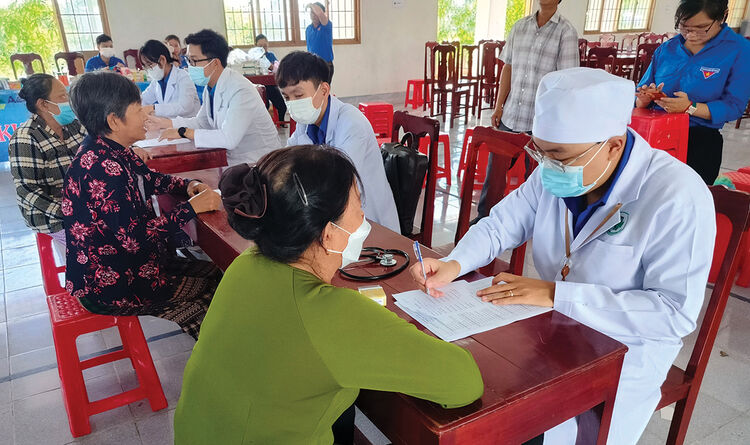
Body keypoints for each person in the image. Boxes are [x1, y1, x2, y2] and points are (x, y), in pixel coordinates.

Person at [410, 68, 715, 445]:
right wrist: (455, 264)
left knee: (534, 429)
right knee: (483, 401)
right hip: (552, 330)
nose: (546, 164)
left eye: (558, 155)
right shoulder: (562, 171)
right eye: (540, 150)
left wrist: (557, 294)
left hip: (626, 348)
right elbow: (502, 223)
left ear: (614, 146)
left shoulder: (676, 195)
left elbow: (673, 313)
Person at [174, 145, 483, 444]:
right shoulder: (331, 314)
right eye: (358, 207)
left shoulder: (246, 265)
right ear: (328, 232)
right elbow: (464, 382)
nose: (364, 218)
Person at [63, 71, 223, 340]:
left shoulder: (111, 148)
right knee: (215, 290)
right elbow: (134, 239)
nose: (146, 115)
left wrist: (186, 187)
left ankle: (220, 345)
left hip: (137, 266)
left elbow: (149, 178)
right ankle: (219, 352)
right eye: (138, 110)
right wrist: (190, 208)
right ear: (114, 120)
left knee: (220, 275)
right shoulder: (102, 169)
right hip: (113, 284)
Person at [476, 0, 579, 220]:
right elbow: (508, 67)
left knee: (535, 177)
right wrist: (499, 105)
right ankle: (485, 217)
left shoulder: (566, 32)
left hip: (541, 121)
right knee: (495, 173)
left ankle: (533, 223)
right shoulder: (520, 26)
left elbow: (566, 82)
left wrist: (557, 122)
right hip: (512, 114)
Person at [277, 51, 400, 233]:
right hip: (333, 216)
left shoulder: (351, 123)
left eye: (298, 95)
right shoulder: (306, 123)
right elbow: (286, 160)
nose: (292, 103)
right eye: (286, 97)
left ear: (324, 90)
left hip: (370, 222)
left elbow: (337, 182)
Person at [636, 0, 750, 185]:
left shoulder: (739, 50)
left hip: (699, 142)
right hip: (654, 137)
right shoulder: (667, 49)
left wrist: (690, 107)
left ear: (723, 17)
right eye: (684, 27)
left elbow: (734, 105)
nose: (691, 34)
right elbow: (643, 88)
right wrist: (644, 99)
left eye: (701, 27)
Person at [147, 29, 281, 166]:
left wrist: (184, 132)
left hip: (260, 163)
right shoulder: (211, 86)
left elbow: (229, 138)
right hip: (236, 161)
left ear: (215, 63)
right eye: (188, 60)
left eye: (194, 61)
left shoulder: (240, 89)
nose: (190, 67)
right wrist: (168, 124)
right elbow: (202, 122)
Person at [9, 74, 86, 247]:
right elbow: (27, 189)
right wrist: (68, 212)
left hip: (82, 205)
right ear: (43, 104)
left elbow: (99, 146)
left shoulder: (73, 125)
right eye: (62, 96)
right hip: (51, 217)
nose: (68, 100)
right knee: (96, 246)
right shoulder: (26, 138)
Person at [140, 40, 200, 119]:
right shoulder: (157, 82)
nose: (148, 70)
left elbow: (185, 107)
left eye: (149, 65)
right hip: (169, 126)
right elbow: (144, 99)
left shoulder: (183, 77)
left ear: (162, 60)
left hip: (188, 126)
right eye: (145, 67)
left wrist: (154, 108)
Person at [255, 33, 287, 123]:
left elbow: (277, 69)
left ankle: (281, 122)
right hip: (258, 87)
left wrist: (271, 66)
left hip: (271, 85)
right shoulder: (253, 57)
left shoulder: (271, 55)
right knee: (264, 107)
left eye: (265, 46)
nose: (263, 48)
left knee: (282, 107)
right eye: (260, 46)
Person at [306, 2, 334, 83]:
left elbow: (320, 13)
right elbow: (309, 48)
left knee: (323, 91)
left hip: (326, 65)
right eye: (311, 12)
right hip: (313, 65)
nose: (313, 15)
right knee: (314, 91)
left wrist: (311, 4)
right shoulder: (308, 29)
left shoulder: (326, 26)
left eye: (315, 12)